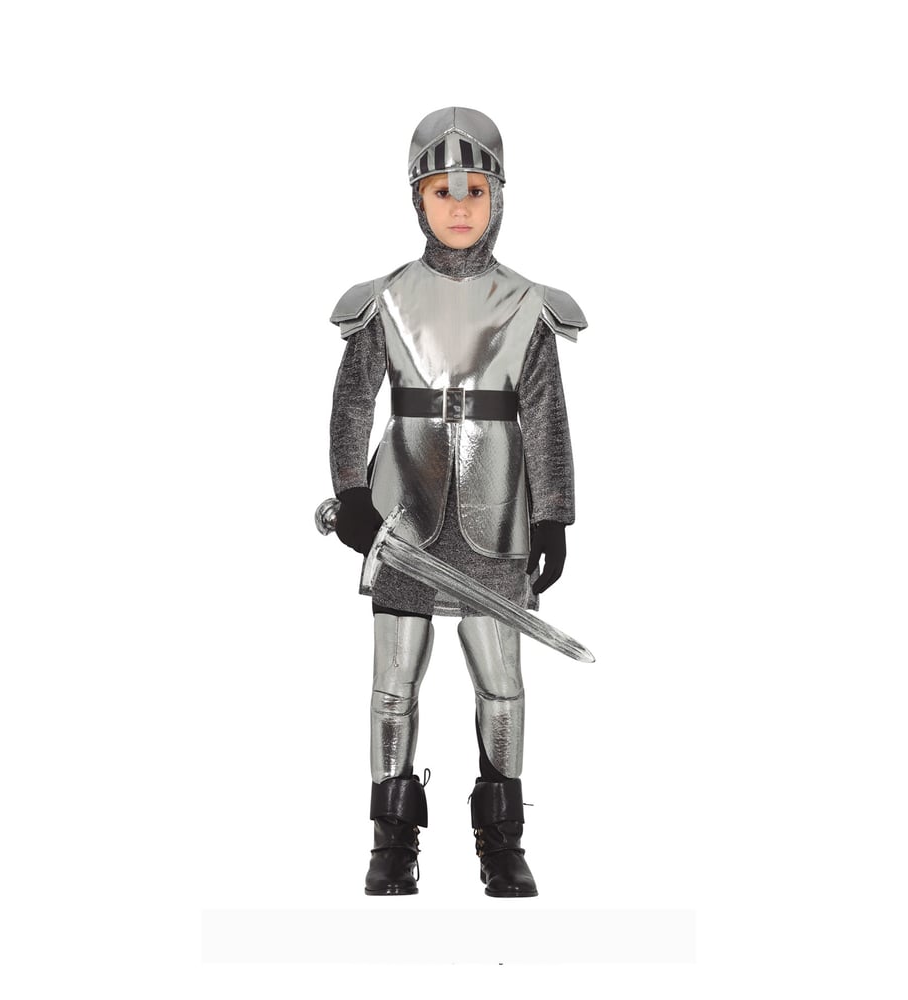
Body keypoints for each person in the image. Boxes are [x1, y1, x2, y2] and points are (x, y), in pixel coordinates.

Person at [328, 107, 586, 897]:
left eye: (476, 189)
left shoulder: (528, 304)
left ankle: (500, 839)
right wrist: (351, 494)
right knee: (393, 683)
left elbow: (544, 414)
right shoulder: (386, 300)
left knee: (500, 683)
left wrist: (552, 515)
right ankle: (392, 838)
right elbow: (353, 403)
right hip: (403, 515)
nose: (461, 206)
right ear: (419, 198)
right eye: (444, 191)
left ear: (498, 195)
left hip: (497, 515)